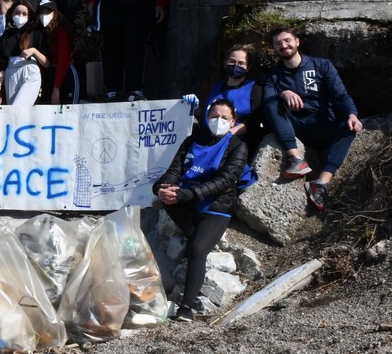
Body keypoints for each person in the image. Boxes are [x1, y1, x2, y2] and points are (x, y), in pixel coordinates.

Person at [153, 99, 248, 321]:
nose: (218, 121)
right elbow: (174, 170)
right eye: (214, 116)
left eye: (224, 118)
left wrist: (186, 194)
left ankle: (186, 306)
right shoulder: (192, 140)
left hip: (215, 208)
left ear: (233, 121)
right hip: (187, 202)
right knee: (166, 200)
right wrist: (159, 188)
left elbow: (224, 181)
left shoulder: (237, 147)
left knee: (195, 250)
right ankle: (197, 236)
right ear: (206, 117)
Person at [261, 26, 362, 211]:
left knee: (348, 127)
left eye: (287, 40)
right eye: (278, 43)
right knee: (271, 102)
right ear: (274, 48)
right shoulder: (273, 74)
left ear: (297, 41)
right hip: (293, 126)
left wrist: (352, 114)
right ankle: (295, 159)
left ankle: (321, 183)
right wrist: (283, 93)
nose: (283, 45)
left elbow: (340, 94)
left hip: (321, 123)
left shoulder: (321, 65)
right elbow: (267, 98)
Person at [203, 45, 265, 155]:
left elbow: (254, 121)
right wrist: (194, 109)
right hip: (207, 142)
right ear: (225, 62)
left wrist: (229, 133)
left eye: (241, 63)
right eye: (232, 61)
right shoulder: (216, 87)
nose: (235, 66)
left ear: (248, 67)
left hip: (236, 145)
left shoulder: (254, 88)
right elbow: (205, 115)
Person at [0, 1, 43, 108]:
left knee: (18, 107)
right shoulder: (6, 36)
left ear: (29, 16)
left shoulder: (35, 33)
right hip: (11, 72)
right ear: (11, 14)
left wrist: (34, 51)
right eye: (17, 13)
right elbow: (1, 64)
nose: (20, 16)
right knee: (13, 111)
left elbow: (46, 62)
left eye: (24, 14)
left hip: (30, 71)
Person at [31, 0, 77, 104]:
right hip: (48, 76)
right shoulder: (39, 33)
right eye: (41, 12)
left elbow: (63, 60)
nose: (44, 15)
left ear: (55, 13)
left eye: (47, 12)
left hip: (64, 75)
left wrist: (56, 88)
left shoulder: (60, 31)